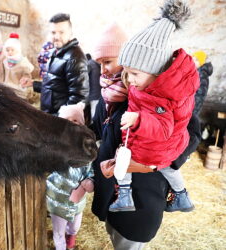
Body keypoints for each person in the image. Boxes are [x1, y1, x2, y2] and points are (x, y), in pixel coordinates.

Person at [94, 0, 200, 248]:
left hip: (142, 201)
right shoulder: (109, 95)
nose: (102, 69)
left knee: (129, 242)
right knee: (113, 237)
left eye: (108, 61)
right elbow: (101, 131)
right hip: (111, 192)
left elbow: (191, 134)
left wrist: (152, 165)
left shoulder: (167, 96)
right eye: (99, 62)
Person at [46, 103, 94, 250]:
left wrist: (89, 181)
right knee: (58, 231)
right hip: (57, 200)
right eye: (67, 120)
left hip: (77, 200)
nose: (71, 123)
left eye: (76, 120)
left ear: (82, 124)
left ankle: (71, 241)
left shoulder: (87, 146)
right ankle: (61, 247)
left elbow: (91, 169)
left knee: (74, 227)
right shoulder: (54, 144)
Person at [32, 13, 89, 115]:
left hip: (59, 121)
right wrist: (33, 84)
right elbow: (54, 86)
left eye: (61, 32)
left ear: (70, 33)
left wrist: (60, 119)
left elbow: (79, 97)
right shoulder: (55, 52)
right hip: (49, 116)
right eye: (53, 32)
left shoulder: (75, 57)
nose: (56, 36)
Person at [2, 33, 37, 104]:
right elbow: (3, 74)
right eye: (8, 50)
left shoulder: (23, 63)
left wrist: (23, 80)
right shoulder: (5, 61)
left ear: (17, 50)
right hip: (6, 88)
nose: (10, 52)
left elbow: (27, 75)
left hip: (18, 90)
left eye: (12, 50)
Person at [192, 50, 213, 115]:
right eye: (193, 59)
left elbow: (199, 96)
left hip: (192, 110)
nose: (193, 61)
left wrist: (191, 111)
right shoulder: (197, 72)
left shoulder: (202, 75)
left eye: (196, 60)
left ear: (201, 62)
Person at [86, 53, 101, 119]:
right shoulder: (95, 64)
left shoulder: (89, 64)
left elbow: (84, 79)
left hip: (93, 93)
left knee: (94, 116)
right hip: (99, 93)